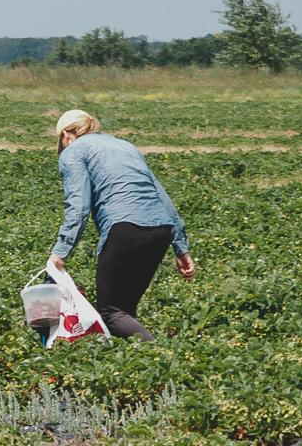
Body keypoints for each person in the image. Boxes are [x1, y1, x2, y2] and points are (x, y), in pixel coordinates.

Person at [47, 109, 195, 339]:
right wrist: (181, 248)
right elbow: (162, 196)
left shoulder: (74, 152)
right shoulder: (126, 146)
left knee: (111, 314)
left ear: (67, 134)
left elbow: (78, 207)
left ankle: (164, 358)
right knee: (123, 312)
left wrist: (61, 251)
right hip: (160, 230)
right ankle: (139, 366)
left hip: (125, 228)